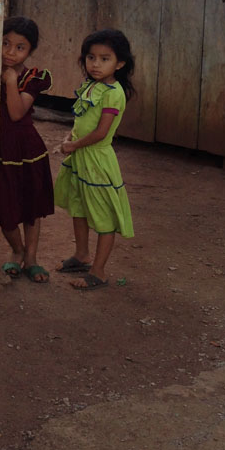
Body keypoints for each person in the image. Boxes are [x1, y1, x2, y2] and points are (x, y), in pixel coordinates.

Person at [54, 29, 135, 290]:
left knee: (103, 217)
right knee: (78, 207)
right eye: (91, 57)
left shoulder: (114, 92)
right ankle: (81, 255)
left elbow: (101, 133)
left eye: (104, 59)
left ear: (119, 64)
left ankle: (98, 272)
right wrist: (70, 138)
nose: (96, 64)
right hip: (80, 158)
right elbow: (82, 122)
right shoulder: (92, 86)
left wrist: (73, 145)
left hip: (97, 161)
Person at [0, 16, 54, 283]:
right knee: (5, 210)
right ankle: (16, 250)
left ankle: (31, 258)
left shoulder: (34, 77)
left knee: (31, 208)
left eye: (20, 47)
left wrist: (10, 81)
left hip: (27, 149)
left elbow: (17, 113)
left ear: (30, 51)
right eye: (5, 43)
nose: (10, 51)